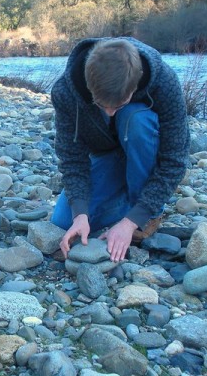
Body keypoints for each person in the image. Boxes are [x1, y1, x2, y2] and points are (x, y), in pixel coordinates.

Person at [51, 37, 190, 262]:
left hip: (145, 148)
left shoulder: (165, 82)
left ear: (135, 87)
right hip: (109, 157)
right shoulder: (65, 91)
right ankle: (132, 199)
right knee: (63, 222)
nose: (109, 113)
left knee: (133, 118)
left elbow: (175, 160)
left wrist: (131, 222)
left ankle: (148, 213)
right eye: (100, 105)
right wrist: (80, 213)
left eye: (118, 104)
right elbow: (72, 158)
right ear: (88, 85)